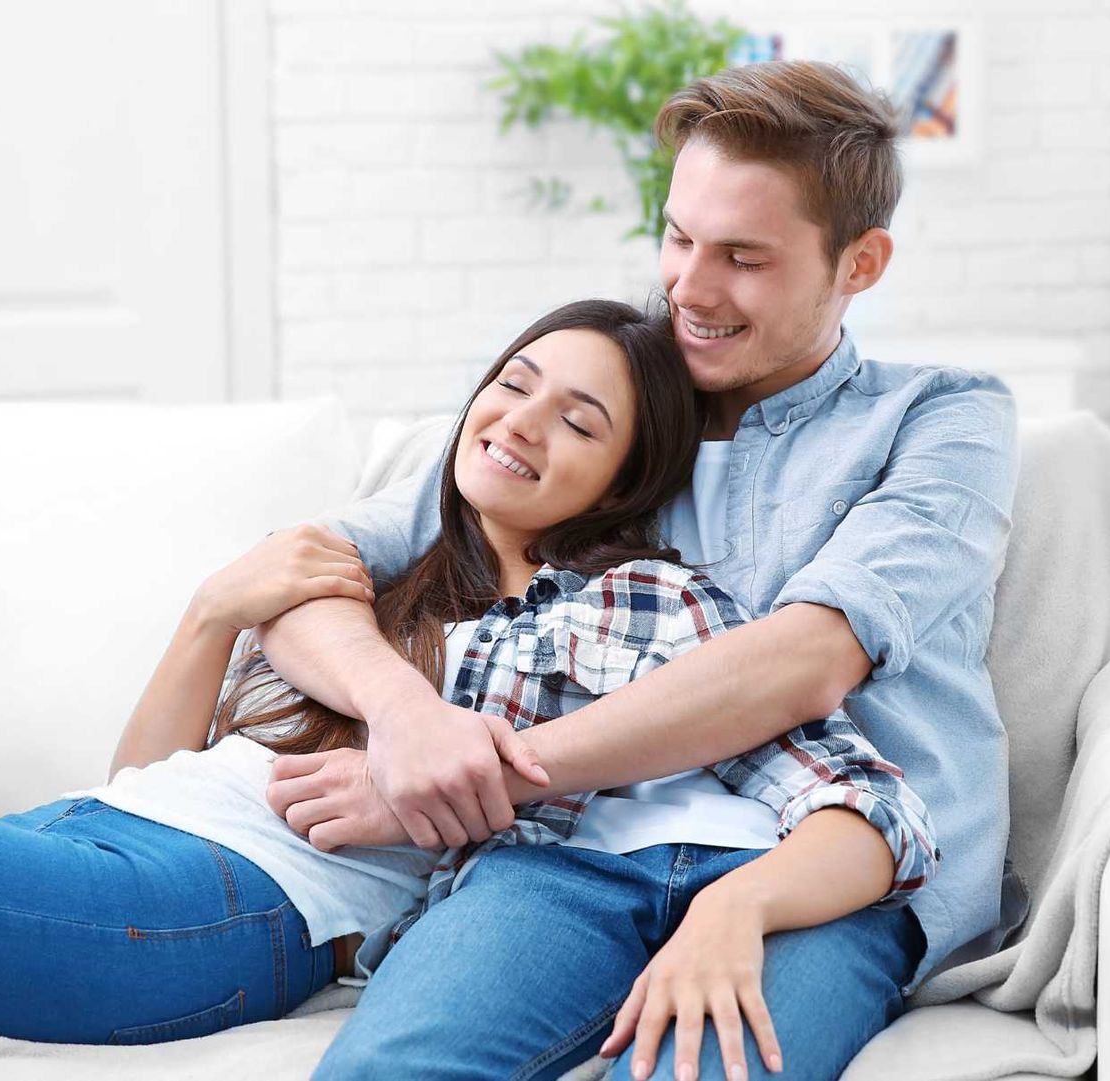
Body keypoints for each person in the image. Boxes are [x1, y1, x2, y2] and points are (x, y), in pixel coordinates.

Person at [0, 298, 928, 1081]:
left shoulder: (632, 608)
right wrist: (207, 615)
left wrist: (435, 778)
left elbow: (735, 781)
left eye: (578, 420)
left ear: (626, 478)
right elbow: (134, 782)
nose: (520, 422)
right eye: (513, 385)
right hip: (94, 843)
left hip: (211, 909)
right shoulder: (377, 587)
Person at [261, 60, 1020, 1081]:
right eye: (678, 237)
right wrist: (407, 723)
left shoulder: (941, 416)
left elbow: (806, 661)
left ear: (861, 263)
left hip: (822, 872)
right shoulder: (610, 400)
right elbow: (302, 573)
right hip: (566, 852)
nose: (689, 289)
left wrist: (472, 779)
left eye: (743, 258)